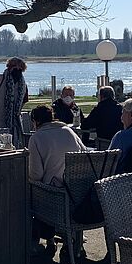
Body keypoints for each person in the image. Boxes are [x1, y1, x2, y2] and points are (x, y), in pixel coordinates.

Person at [27, 104, 87, 254]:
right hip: (78, 194)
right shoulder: (69, 131)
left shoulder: (37, 138)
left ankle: (47, 238)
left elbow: (36, 175)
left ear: (36, 122)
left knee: (33, 190)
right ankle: (71, 237)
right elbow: (84, 153)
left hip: (54, 197)